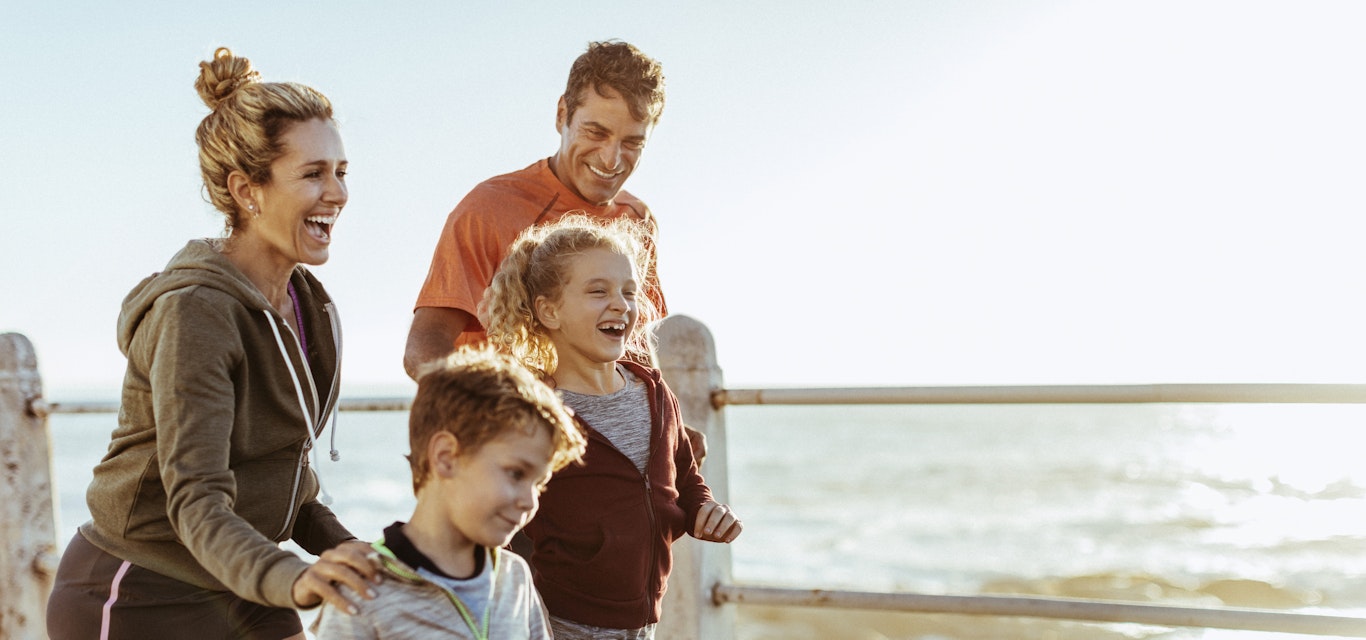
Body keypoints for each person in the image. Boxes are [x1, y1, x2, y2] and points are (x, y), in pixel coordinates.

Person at [46, 47, 378, 640]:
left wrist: (361, 555)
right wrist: (292, 579)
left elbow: (285, 482)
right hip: (138, 594)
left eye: (341, 171)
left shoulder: (308, 305)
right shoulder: (196, 311)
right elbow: (196, 498)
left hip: (241, 581)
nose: (338, 193)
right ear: (247, 190)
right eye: (312, 174)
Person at [481, 215, 743, 639]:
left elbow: (685, 471)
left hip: (642, 624)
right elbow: (494, 523)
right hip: (560, 624)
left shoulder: (655, 392)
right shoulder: (534, 412)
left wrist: (703, 511)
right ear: (549, 311)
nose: (620, 304)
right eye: (597, 291)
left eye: (629, 292)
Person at [403, 40, 668, 381]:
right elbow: (423, 348)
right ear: (562, 114)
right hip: (506, 424)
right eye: (595, 132)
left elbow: (636, 351)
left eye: (632, 143)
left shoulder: (636, 219)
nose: (611, 159)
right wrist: (509, 407)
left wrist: (671, 424)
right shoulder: (488, 209)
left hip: (600, 431)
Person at [311, 347, 587, 639]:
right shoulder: (361, 594)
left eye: (538, 483)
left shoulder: (514, 577)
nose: (530, 501)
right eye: (516, 474)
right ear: (445, 457)